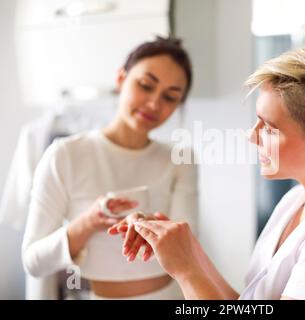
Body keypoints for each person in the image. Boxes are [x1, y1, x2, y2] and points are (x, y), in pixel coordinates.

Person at [110, 44, 305, 299]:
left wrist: (187, 271)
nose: (252, 135)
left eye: (269, 127)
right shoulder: (297, 199)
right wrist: (189, 250)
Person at [22, 37, 198, 300]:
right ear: (120, 78)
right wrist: (89, 222)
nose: (154, 104)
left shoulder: (180, 158)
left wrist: (155, 228)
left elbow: (189, 252)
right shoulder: (65, 155)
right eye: (145, 85)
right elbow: (33, 262)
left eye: (170, 97)